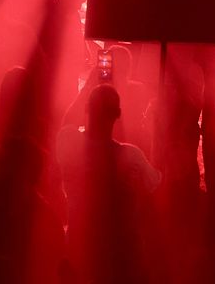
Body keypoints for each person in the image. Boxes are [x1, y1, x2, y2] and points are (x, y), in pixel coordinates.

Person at [57, 85, 160, 283]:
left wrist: (89, 86)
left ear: (87, 108)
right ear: (118, 114)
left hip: (79, 254)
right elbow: (155, 191)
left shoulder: (69, 144)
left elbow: (67, 122)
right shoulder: (131, 157)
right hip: (120, 259)